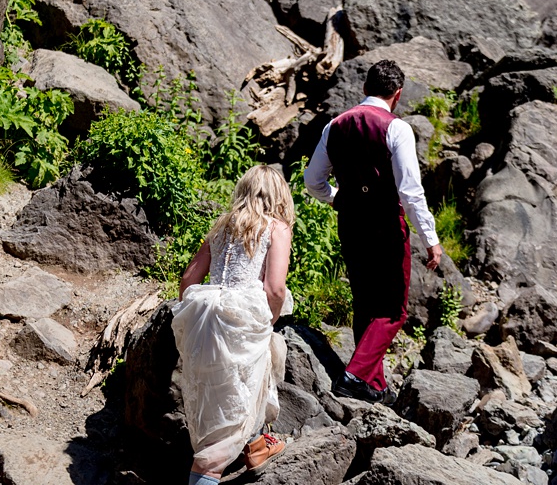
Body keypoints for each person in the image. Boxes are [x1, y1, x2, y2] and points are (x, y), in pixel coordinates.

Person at [304, 59, 443, 404]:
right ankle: (354, 377)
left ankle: (375, 385)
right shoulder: (397, 129)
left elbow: (313, 181)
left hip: (350, 222)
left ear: (365, 88)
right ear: (398, 94)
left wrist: (338, 199)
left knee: (365, 303)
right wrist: (431, 239)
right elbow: (410, 193)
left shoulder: (335, 125)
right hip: (385, 225)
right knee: (393, 310)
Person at [171, 165, 294, 485]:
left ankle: (256, 447)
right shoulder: (276, 228)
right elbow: (275, 289)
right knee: (217, 445)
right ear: (279, 196)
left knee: (223, 399)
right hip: (240, 319)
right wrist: (267, 322)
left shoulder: (222, 225)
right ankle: (210, 472)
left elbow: (188, 281)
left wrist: (196, 320)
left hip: (204, 313)